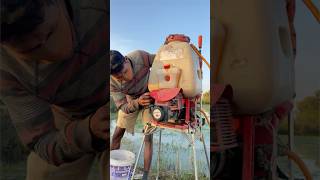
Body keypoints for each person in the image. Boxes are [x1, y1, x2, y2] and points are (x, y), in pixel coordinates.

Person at [0, 0, 109, 180]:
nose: (56, 52)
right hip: (68, 117)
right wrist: (86, 131)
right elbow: (42, 142)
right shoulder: (6, 69)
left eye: (51, 32)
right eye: (32, 50)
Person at [110, 50, 155, 180]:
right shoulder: (112, 83)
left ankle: (145, 176)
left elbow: (161, 61)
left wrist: (167, 46)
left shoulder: (140, 57)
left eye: (125, 72)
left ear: (125, 60)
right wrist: (136, 102)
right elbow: (123, 107)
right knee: (117, 135)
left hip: (150, 98)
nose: (126, 78)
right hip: (131, 102)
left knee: (148, 137)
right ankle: (113, 168)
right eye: (120, 77)